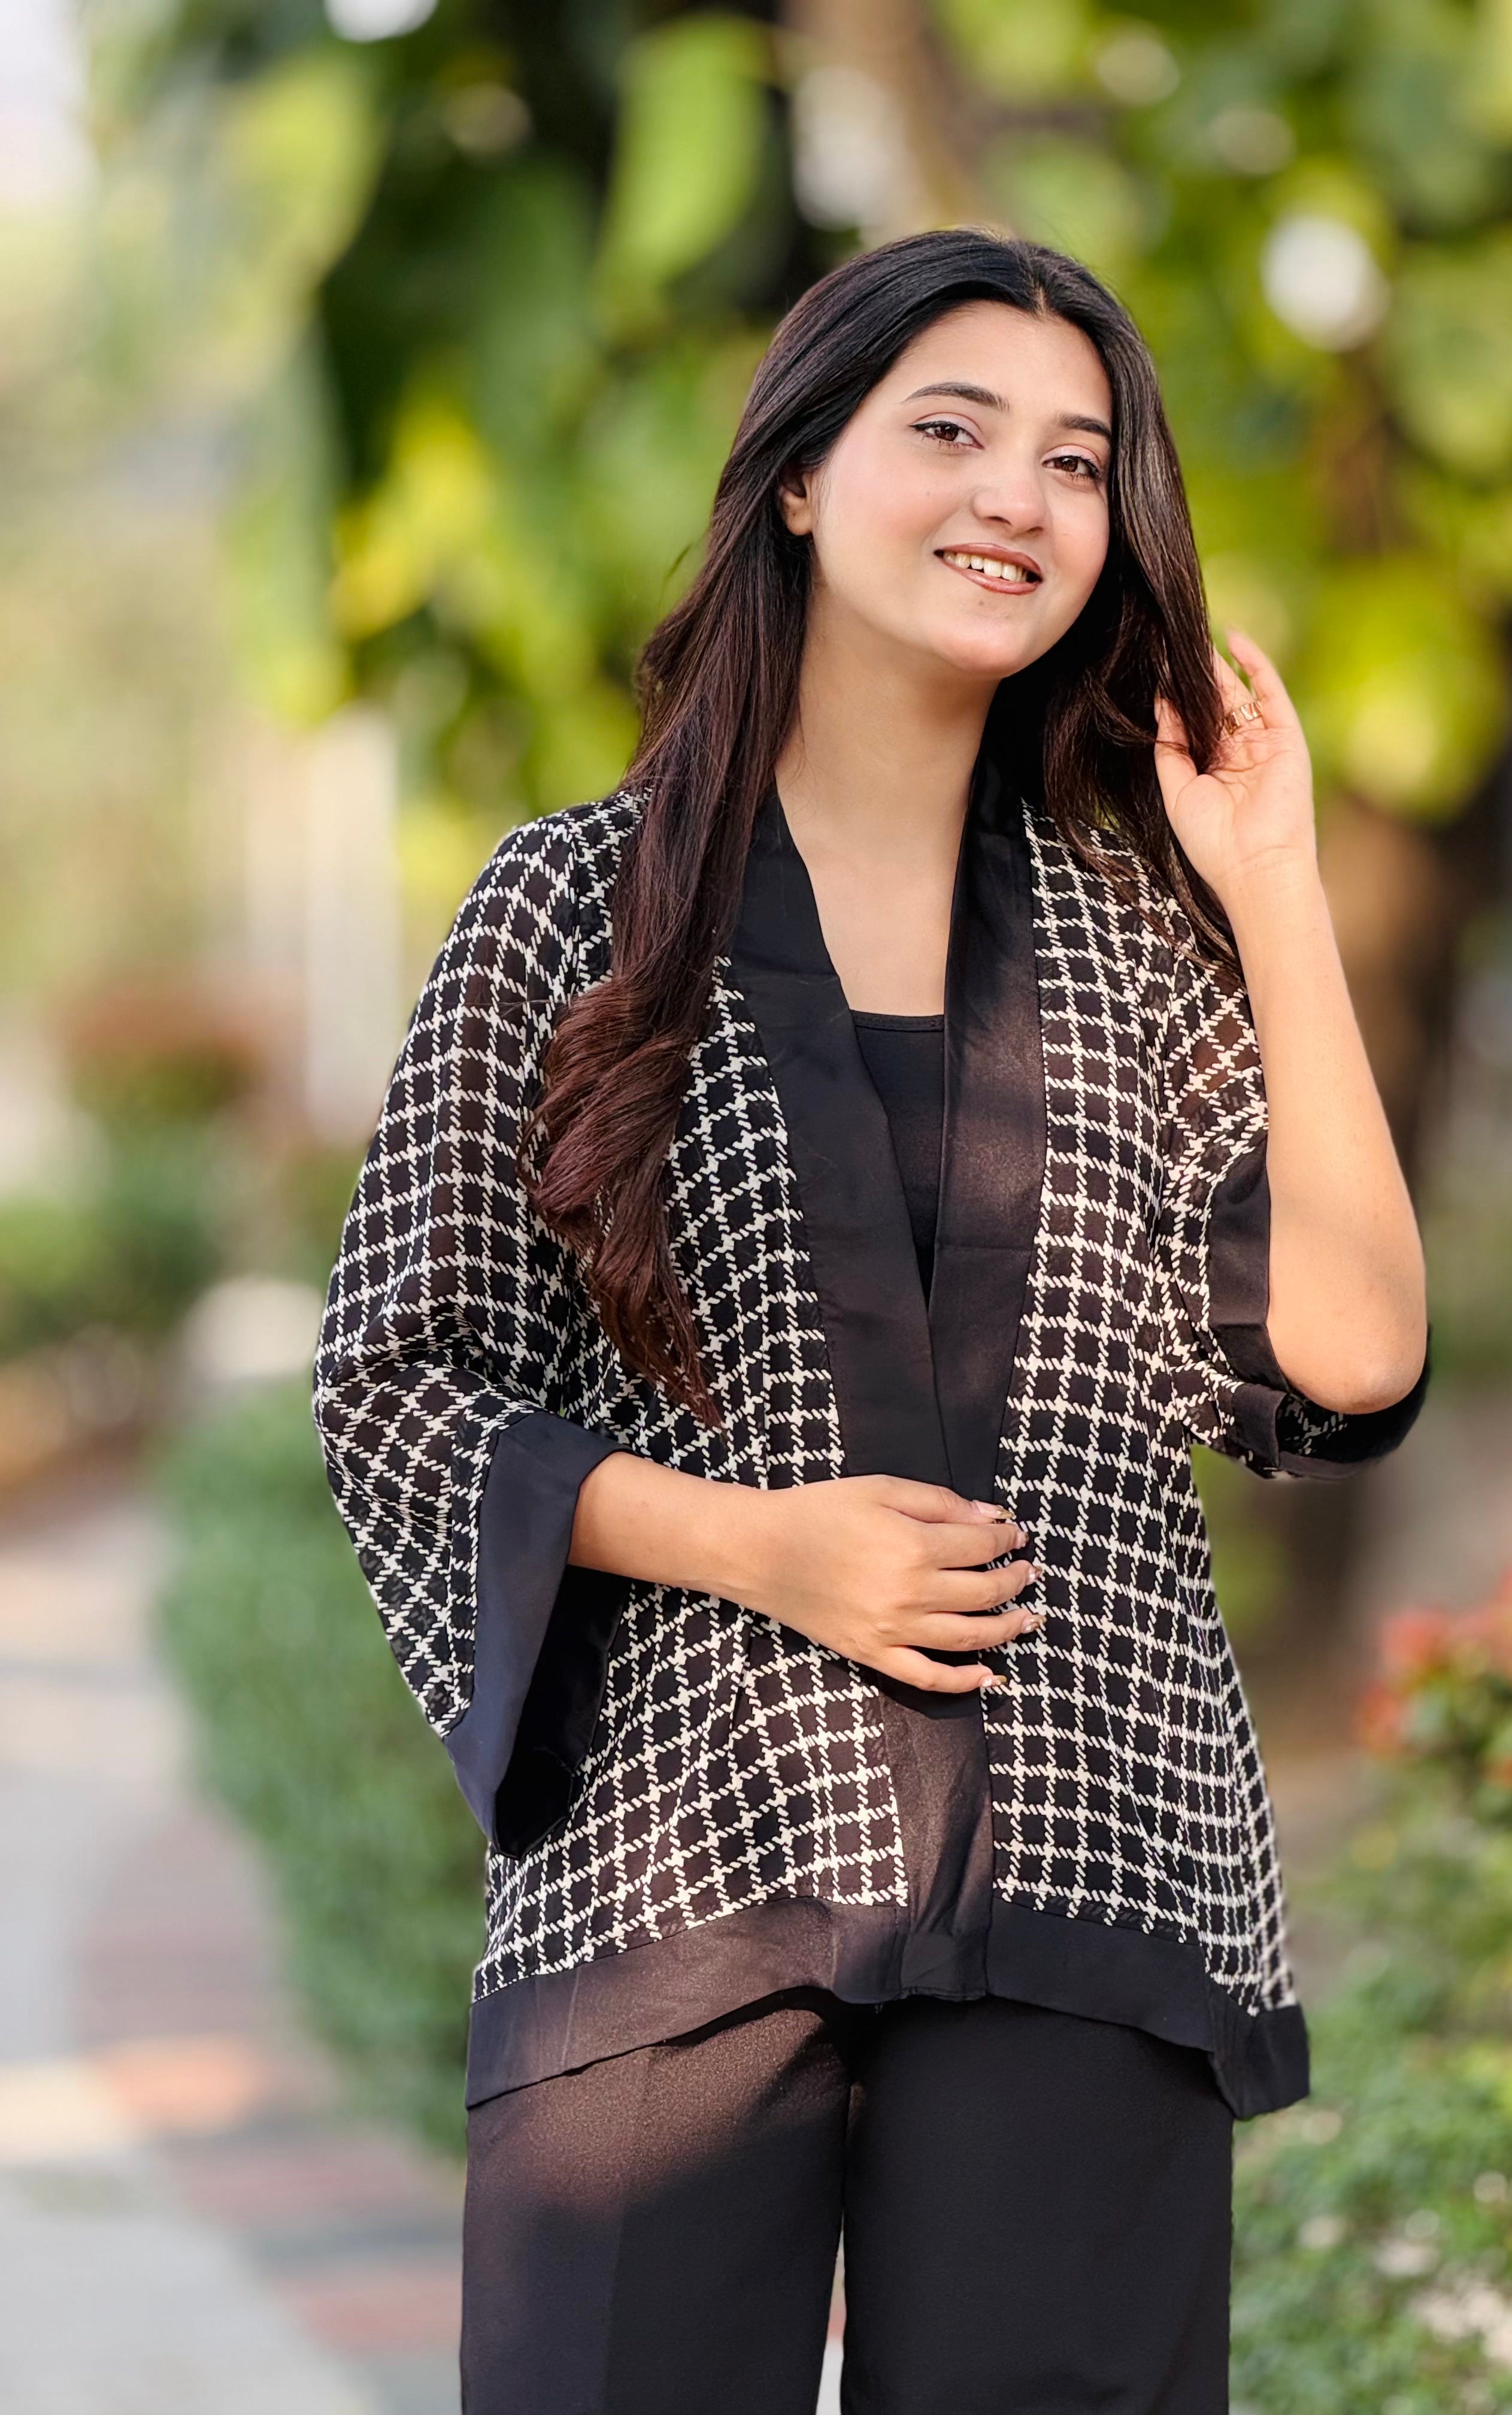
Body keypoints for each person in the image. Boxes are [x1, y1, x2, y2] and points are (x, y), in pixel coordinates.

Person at [313, 226, 1429, 2415]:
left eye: (1079, 461)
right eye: (952, 430)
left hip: (1090, 1861)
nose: (1020, 495)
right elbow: (395, 1390)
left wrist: (1274, 880)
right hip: (681, 1871)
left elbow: (1352, 1351)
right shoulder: (577, 908)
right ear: (803, 477)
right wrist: (761, 1543)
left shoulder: (1140, 954)